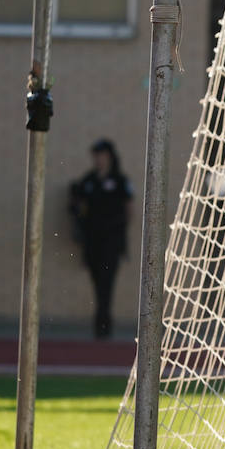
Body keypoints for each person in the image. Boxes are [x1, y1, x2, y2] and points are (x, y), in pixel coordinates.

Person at [69, 139, 133, 339]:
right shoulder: (89, 180)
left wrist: (119, 232)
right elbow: (77, 204)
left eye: (102, 155)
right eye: (96, 156)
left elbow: (129, 208)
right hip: (92, 242)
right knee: (97, 283)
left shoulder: (120, 180)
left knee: (107, 284)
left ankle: (103, 326)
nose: (99, 160)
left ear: (110, 157)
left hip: (111, 243)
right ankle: (101, 323)